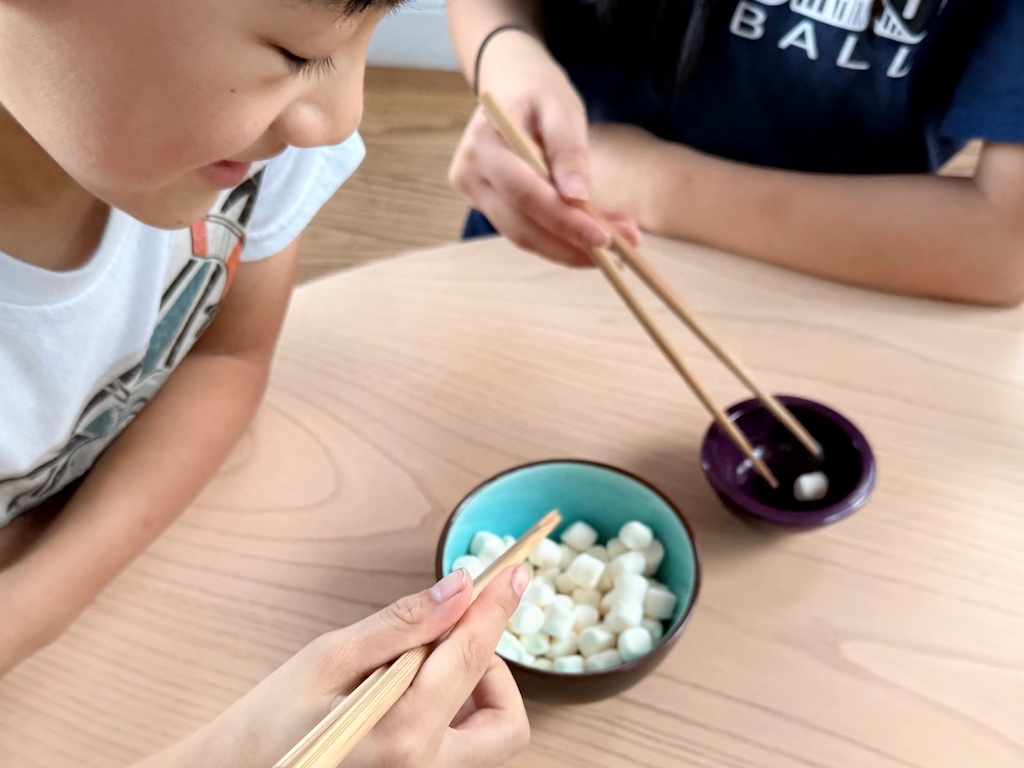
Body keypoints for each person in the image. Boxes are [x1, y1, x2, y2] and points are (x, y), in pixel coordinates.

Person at [0, 1, 529, 765]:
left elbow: (226, 358)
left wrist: (29, 608)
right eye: (295, 51)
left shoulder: (237, 153)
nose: (342, 117)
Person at [447, 0, 1024, 306]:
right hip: (549, 240)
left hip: (822, 294)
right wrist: (507, 53)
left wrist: (649, 184)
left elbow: (1005, 246)